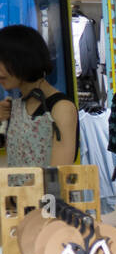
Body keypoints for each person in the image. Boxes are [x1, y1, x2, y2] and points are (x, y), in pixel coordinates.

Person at [0, 24, 76, 166]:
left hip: (40, 189)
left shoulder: (61, 108)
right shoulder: (13, 107)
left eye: (3, 61)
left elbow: (57, 175)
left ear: (23, 59)